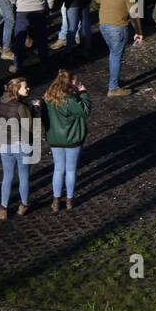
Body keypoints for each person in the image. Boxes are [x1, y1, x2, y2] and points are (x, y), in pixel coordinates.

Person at [43, 70, 91, 211]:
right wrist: (83, 93)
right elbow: (85, 110)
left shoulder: (47, 98)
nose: (78, 84)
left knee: (58, 169)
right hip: (72, 139)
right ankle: (69, 200)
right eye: (76, 82)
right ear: (69, 83)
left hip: (55, 138)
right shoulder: (70, 99)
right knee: (70, 170)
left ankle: (56, 201)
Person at [0, 77, 39, 219]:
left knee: (7, 177)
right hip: (22, 145)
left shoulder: (0, 102)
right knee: (23, 176)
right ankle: (24, 205)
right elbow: (30, 126)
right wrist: (35, 108)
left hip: (5, 145)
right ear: (17, 90)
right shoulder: (21, 107)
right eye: (25, 87)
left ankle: (3, 208)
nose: (28, 88)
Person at [6, 0, 55, 72]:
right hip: (39, 11)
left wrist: (16, 3)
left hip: (22, 12)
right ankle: (44, 62)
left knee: (20, 39)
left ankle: (17, 64)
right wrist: (48, 8)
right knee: (41, 38)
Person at [96, 0, 138, 96]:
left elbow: (98, 2)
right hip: (118, 27)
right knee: (116, 56)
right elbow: (136, 15)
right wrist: (139, 32)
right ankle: (113, 87)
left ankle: (114, 79)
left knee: (113, 53)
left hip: (103, 26)